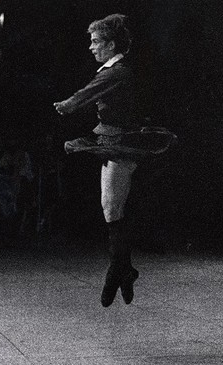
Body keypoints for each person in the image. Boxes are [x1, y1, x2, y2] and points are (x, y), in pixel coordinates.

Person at [54, 14, 140, 307]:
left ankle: (118, 270)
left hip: (120, 144)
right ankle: (123, 269)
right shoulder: (115, 70)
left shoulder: (117, 72)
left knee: (112, 207)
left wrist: (67, 105)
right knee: (111, 207)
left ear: (110, 44)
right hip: (110, 143)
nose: (91, 47)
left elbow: (88, 93)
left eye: (95, 42)